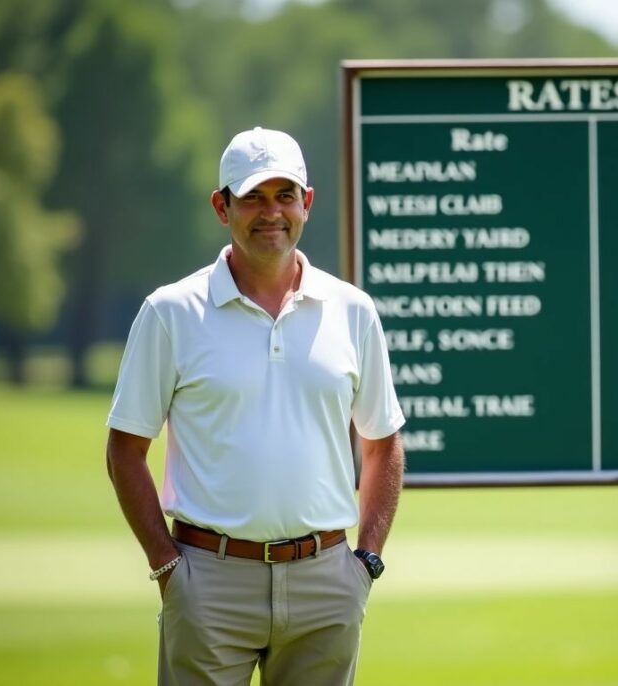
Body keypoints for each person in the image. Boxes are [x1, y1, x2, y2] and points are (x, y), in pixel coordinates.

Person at [105, 126, 405, 686]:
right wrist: (166, 566)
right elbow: (125, 449)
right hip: (208, 580)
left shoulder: (353, 310)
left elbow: (382, 441)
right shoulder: (170, 312)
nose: (272, 213)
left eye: (285, 195)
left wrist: (365, 561)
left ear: (307, 203)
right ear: (222, 207)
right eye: (253, 198)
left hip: (326, 581)